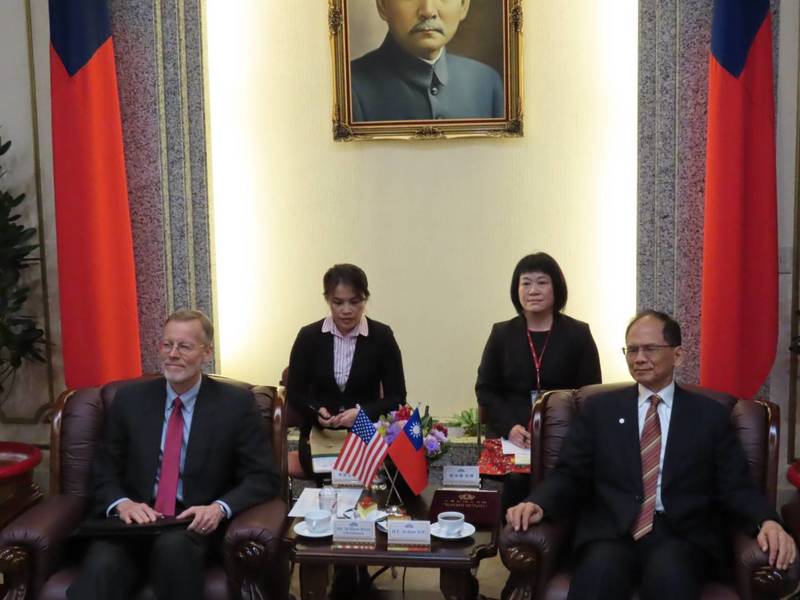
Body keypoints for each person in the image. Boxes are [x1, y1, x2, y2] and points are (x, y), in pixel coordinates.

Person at [506, 310, 797, 599]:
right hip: (611, 532)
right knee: (598, 577)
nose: (639, 358)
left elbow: (736, 486)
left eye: (650, 349)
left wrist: (767, 520)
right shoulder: (600, 410)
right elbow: (570, 473)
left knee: (670, 577)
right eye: (632, 350)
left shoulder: (710, 416)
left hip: (680, 535)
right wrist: (538, 502)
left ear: (678, 355)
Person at [68, 309, 280, 600]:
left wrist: (218, 508)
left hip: (189, 524)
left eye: (184, 346)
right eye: (167, 344)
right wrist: (122, 503)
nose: (173, 354)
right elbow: (104, 470)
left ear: (206, 352)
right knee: (102, 564)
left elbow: (263, 477)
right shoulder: (130, 400)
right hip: (131, 524)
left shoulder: (235, 404)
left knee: (173, 550)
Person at [287, 263, 406, 598]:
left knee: (360, 479)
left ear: (365, 299)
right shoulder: (309, 336)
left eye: (355, 302)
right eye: (338, 302)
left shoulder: (381, 336)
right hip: (320, 434)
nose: (347, 310)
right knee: (331, 479)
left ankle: (355, 563)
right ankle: (337, 563)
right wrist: (317, 412)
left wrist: (361, 413)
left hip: (364, 431)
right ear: (327, 299)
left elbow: (397, 396)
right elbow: (295, 392)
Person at [476, 252, 601, 511]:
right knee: (515, 480)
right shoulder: (502, 333)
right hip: (513, 434)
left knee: (564, 478)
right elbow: (486, 389)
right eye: (526, 283)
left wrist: (567, 432)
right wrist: (510, 427)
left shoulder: (578, 333)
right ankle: (512, 531)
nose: (533, 290)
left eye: (542, 282)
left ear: (557, 288)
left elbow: (590, 392)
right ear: (517, 290)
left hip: (563, 433)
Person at [350, 0, 503, 121]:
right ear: (383, 5)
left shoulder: (487, 82)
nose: (428, 11)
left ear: (463, 5)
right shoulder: (350, 87)